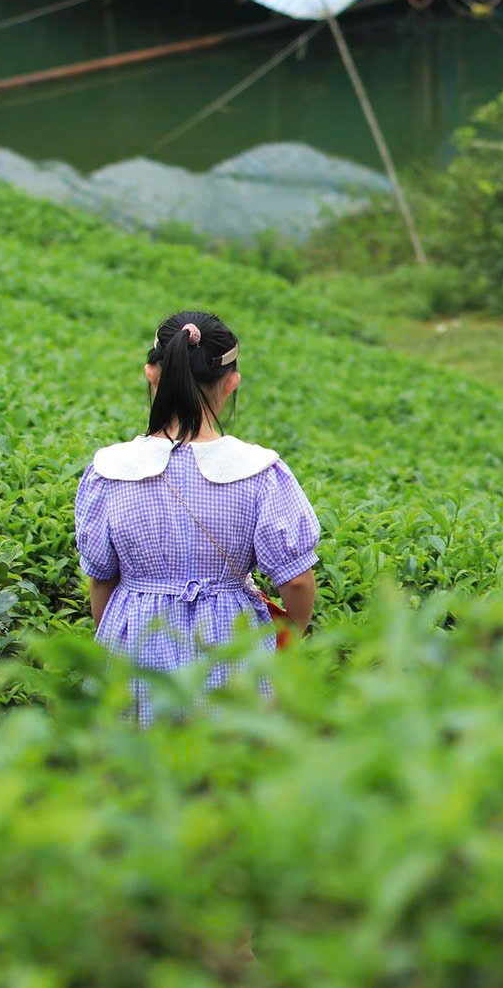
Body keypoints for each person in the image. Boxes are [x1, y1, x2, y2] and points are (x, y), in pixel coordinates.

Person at [75, 310, 320, 726]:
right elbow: (295, 580)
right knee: (229, 769)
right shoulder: (259, 471)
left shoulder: (109, 470)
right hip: (231, 639)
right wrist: (289, 632)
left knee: (137, 773)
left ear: (152, 373)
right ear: (231, 382)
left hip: (137, 636)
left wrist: (115, 632)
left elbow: (102, 579)